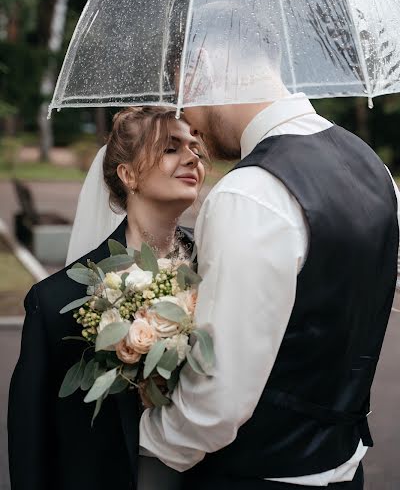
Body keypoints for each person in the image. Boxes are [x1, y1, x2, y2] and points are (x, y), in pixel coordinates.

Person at [138, 91, 400, 489]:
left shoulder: (249, 193)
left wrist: (143, 443)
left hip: (253, 473)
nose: (187, 120)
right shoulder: (372, 167)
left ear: (204, 65)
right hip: (345, 469)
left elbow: (216, 402)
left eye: (183, 96)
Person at [8, 106, 208, 490]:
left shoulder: (217, 271)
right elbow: (31, 443)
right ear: (128, 174)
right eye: (170, 148)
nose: (192, 158)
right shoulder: (57, 301)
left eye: (195, 148)